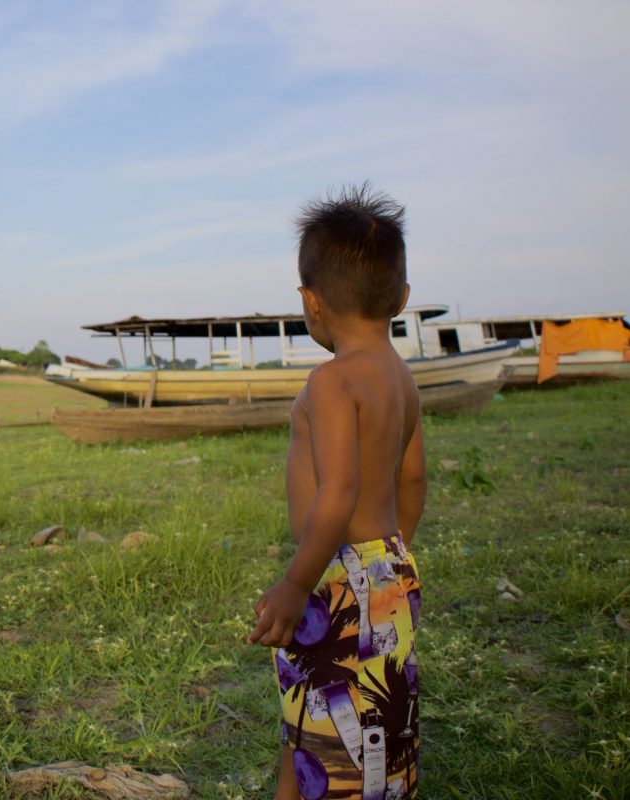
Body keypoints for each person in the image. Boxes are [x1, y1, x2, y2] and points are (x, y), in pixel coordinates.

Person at [247, 185, 427, 800]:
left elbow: (338, 492)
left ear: (310, 301)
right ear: (401, 299)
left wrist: (298, 583)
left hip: (340, 576)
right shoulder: (401, 378)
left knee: (331, 734)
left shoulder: (331, 381)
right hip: (391, 568)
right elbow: (412, 478)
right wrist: (389, 559)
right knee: (371, 721)